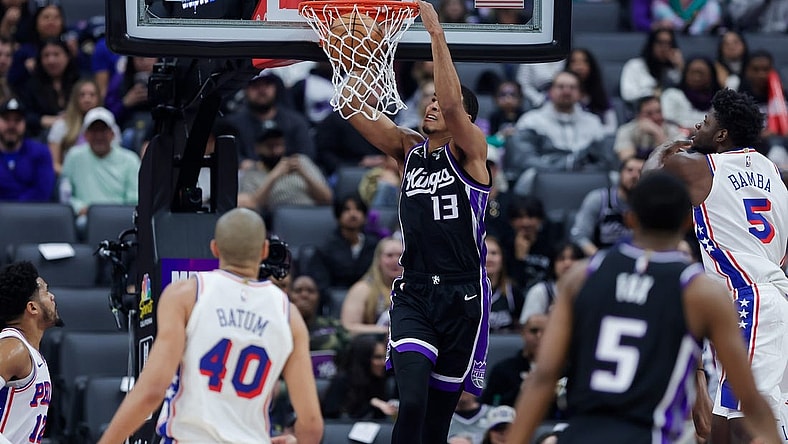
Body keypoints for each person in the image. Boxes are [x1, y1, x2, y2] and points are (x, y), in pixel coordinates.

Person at [507, 172, 782, 443]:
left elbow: (543, 377)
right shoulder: (701, 292)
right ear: (688, 222)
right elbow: (749, 398)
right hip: (647, 434)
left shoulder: (581, 276)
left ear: (630, 218)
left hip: (580, 433)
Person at [339, 2, 490, 442]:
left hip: (463, 294)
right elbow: (351, 107)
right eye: (427, 104)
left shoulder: (471, 153)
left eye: (440, 108)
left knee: (436, 423)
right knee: (414, 401)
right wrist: (354, 53)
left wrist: (435, 35)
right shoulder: (409, 149)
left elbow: (451, 102)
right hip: (415, 290)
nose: (431, 109)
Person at [97, 208, 324, 444]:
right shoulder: (289, 315)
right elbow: (311, 425)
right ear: (265, 251)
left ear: (214, 249)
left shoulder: (186, 295)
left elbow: (153, 390)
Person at [643, 88, 788, 443]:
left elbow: (647, 186)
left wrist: (668, 146)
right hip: (765, 297)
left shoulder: (705, 166)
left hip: (750, 298)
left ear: (721, 135)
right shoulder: (772, 171)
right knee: (722, 424)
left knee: (747, 420)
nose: (697, 125)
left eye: (705, 122)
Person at [0, 261, 61, 443]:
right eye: (44, 291)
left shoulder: (30, 351)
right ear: (32, 307)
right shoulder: (13, 348)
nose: (52, 296)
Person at [60, 107, 140, 230]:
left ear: (112, 134)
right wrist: (79, 208)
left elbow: (134, 198)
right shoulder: (74, 156)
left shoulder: (130, 160)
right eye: (93, 131)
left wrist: (112, 214)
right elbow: (65, 194)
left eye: (103, 130)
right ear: (86, 135)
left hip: (121, 219)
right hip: (84, 218)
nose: (99, 136)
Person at [570, 156, 644, 257]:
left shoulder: (649, 205)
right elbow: (579, 236)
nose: (634, 175)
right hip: (600, 257)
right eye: (629, 170)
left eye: (640, 171)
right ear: (620, 173)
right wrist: (600, 259)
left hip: (637, 260)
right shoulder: (598, 199)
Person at [320, 334, 396, 420]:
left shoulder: (384, 380)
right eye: (377, 357)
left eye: (384, 357)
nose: (383, 363)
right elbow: (331, 415)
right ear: (364, 359)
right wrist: (372, 403)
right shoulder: (342, 381)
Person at [480, 314, 548, 409]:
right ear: (523, 333)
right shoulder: (502, 371)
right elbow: (487, 407)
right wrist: (520, 392)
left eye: (546, 332)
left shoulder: (565, 370)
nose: (539, 336)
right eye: (534, 331)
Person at [341, 236, 403, 336]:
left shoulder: (416, 288)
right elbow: (348, 327)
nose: (396, 261)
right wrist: (385, 331)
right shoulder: (362, 289)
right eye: (389, 255)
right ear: (378, 260)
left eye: (400, 255)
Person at [0, 97, 55, 201]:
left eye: (17, 120)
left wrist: (14, 208)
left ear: (25, 124)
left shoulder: (41, 153)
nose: (12, 126)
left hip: (32, 214)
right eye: (6, 119)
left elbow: (42, 192)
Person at [613, 95, 683, 162]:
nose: (656, 117)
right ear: (638, 116)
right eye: (649, 113)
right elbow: (627, 160)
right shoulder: (626, 130)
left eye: (659, 111)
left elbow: (676, 159)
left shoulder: (673, 130)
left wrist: (657, 133)